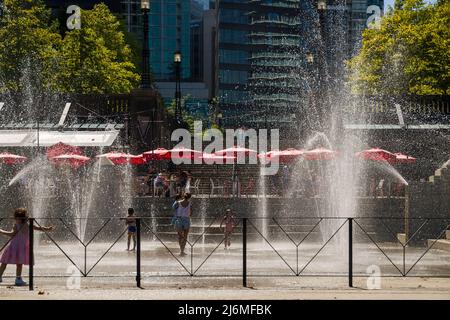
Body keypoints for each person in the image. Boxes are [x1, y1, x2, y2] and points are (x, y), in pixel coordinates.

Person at [0, 208, 54, 286]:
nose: (16, 220)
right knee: (5, 262)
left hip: (16, 246)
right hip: (16, 246)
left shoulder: (24, 224)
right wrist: (47, 229)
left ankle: (18, 278)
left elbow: (12, 234)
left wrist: (2, 232)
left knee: (18, 263)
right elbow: (13, 234)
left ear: (20, 218)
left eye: (17, 218)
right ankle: (8, 277)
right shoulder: (25, 225)